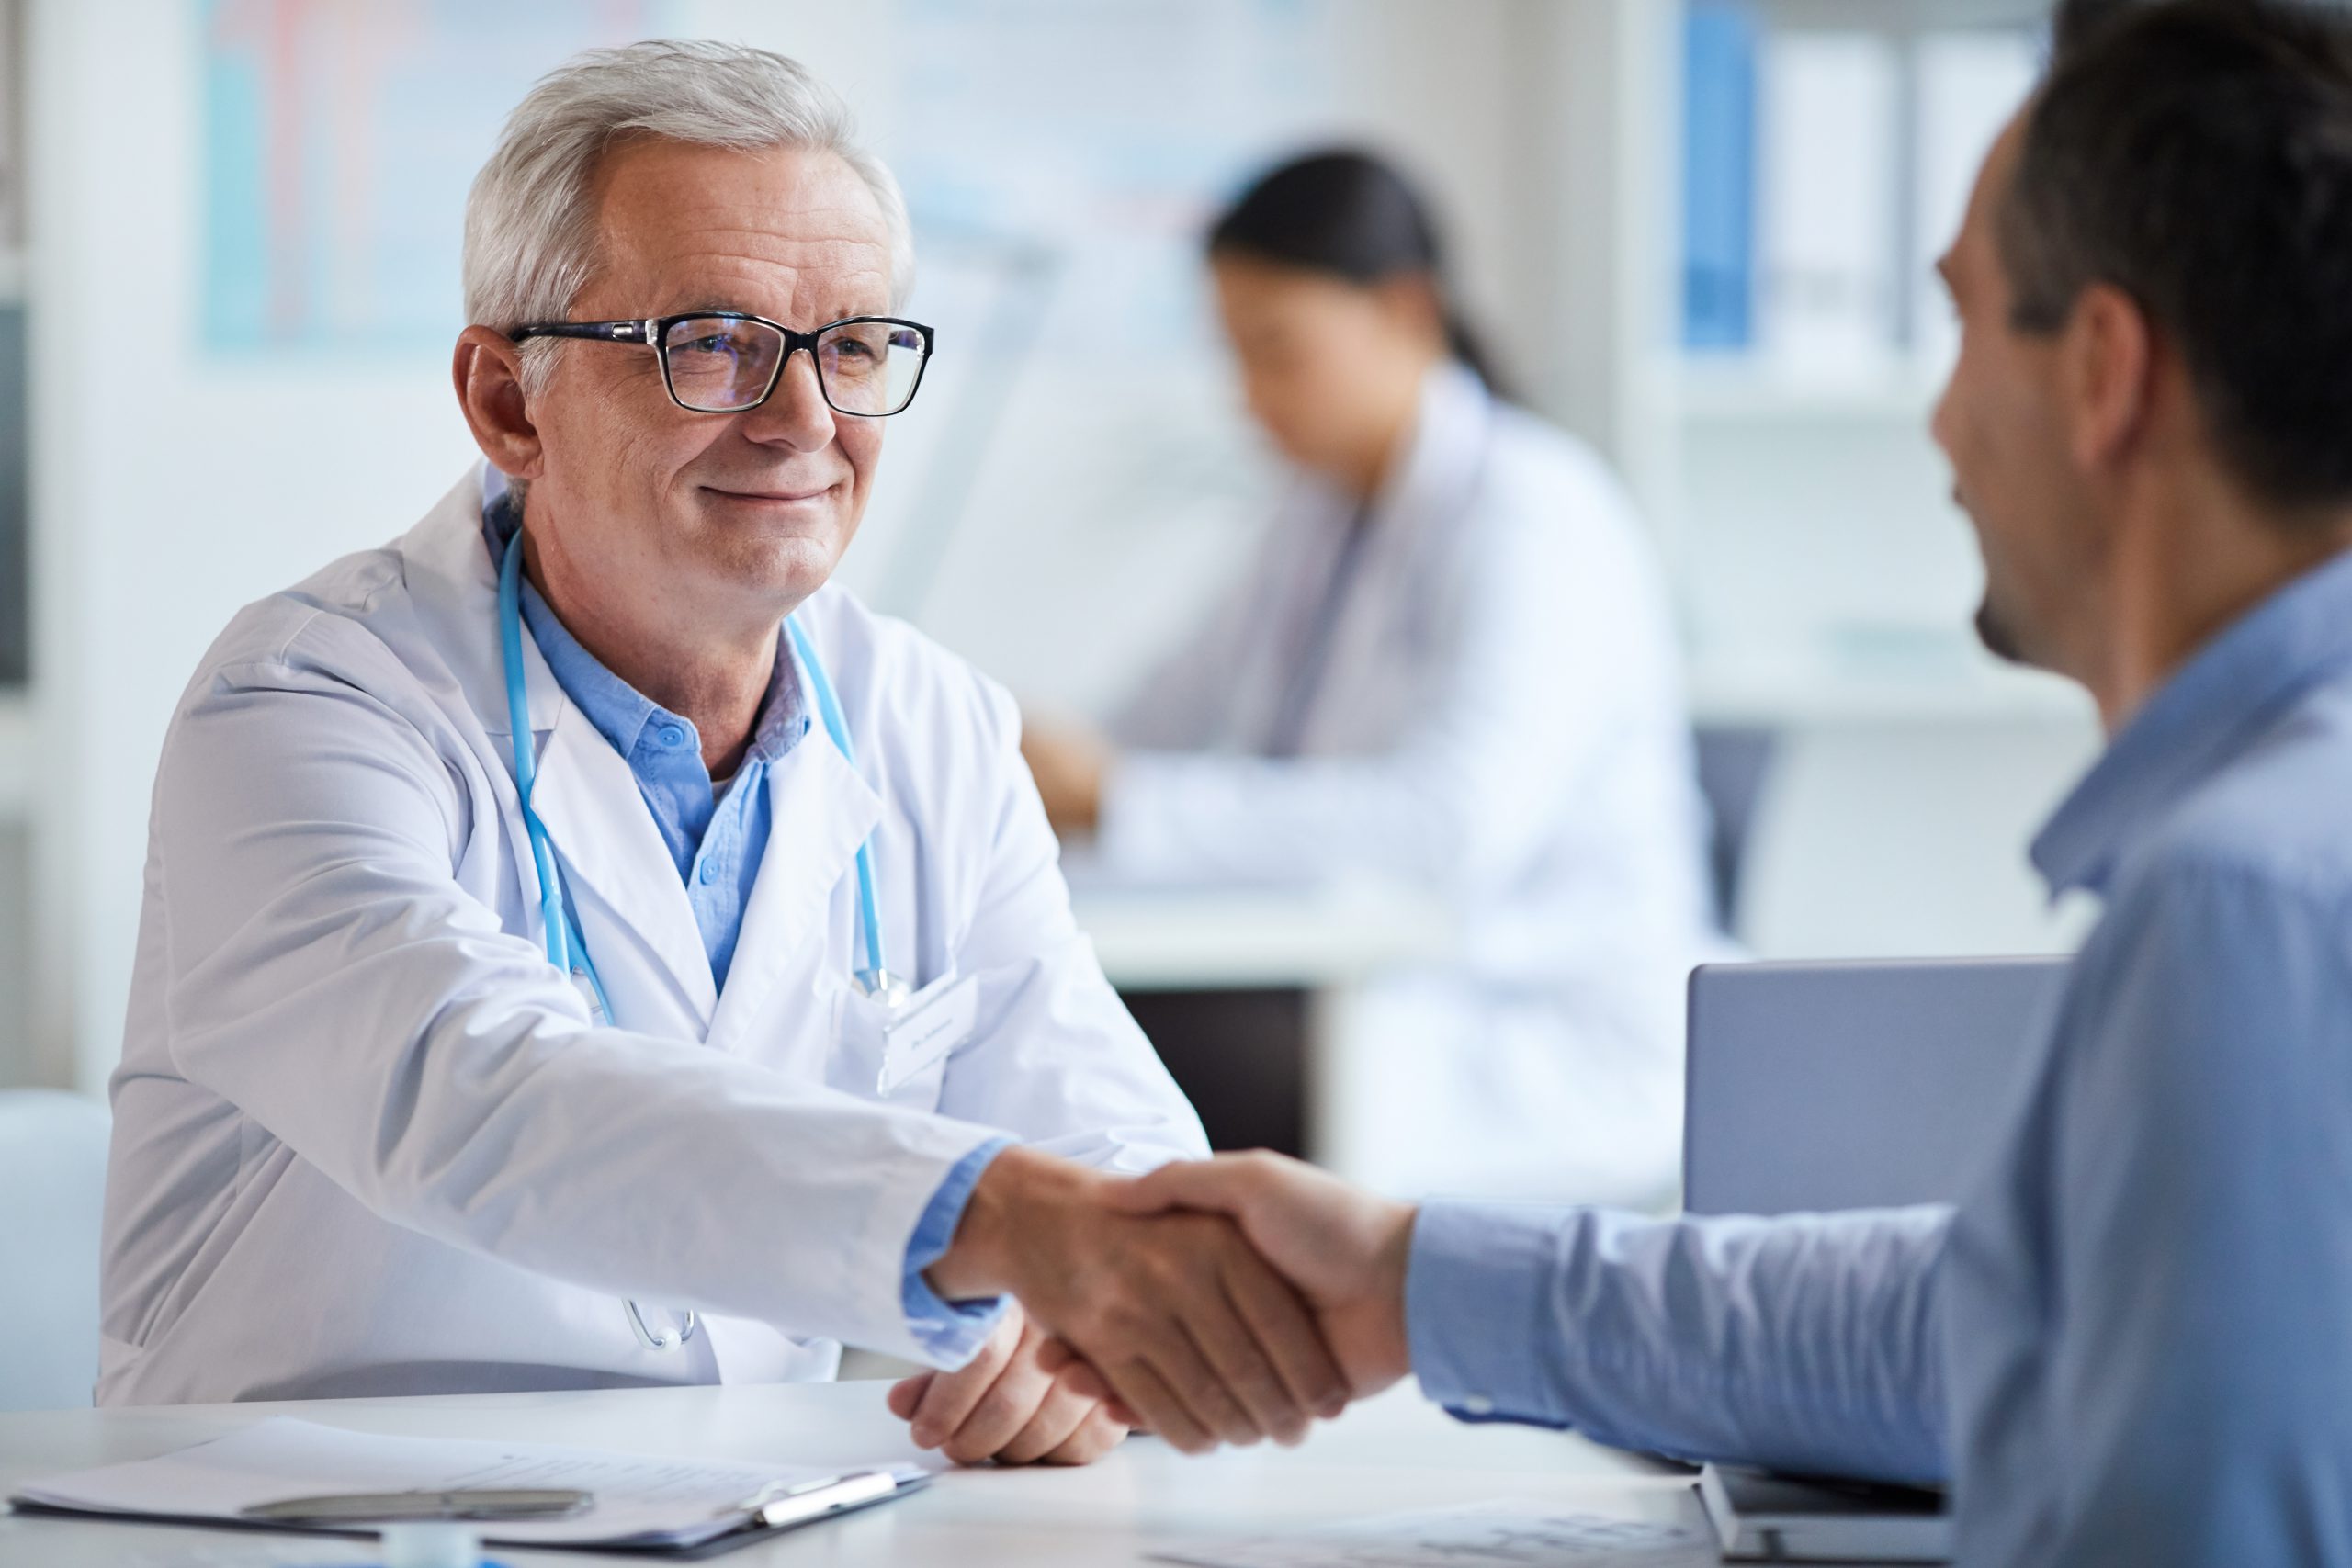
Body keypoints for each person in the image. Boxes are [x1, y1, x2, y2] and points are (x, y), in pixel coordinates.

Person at [1106, 1, 2352, 1560]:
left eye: (1962, 323)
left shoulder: (2247, 899)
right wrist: (1414, 1279)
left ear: (2103, 372)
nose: (1939, 418)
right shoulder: (2264, 848)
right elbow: (1982, 1328)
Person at [96, 40, 1351, 1467]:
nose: (807, 419)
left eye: (855, 346)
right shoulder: (306, 705)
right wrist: (994, 1220)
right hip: (311, 1508)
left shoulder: (928, 719)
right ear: (511, 402)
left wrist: (1092, 1325)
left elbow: (1110, 1132)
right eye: (715, 343)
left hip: (749, 1502)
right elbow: (477, 1082)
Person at [1021, 152, 1716, 1204]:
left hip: (1520, 1032)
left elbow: (1449, 825)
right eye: (1232, 354)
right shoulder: (1318, 515)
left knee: (1101, 1052)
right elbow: (1165, 709)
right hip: (1354, 988)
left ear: (1403, 310)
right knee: (1042, 1009)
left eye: (1276, 350)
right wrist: (1020, 764)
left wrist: (1116, 798)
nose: (1247, 396)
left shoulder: (1537, 515)